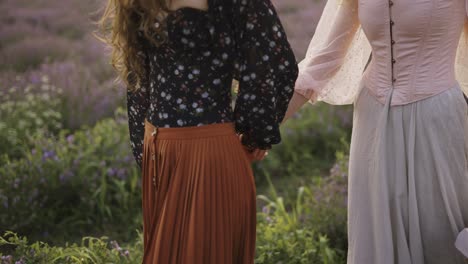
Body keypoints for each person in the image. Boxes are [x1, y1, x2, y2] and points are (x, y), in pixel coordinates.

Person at [99, 0, 298, 263]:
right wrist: (254, 132)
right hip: (174, 152)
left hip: (187, 153)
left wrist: (253, 131)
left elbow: (139, 77)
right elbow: (278, 65)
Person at [283, 0, 468, 263]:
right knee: (375, 230)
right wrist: (264, 126)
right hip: (372, 122)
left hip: (435, 120)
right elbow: (324, 61)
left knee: (438, 234)